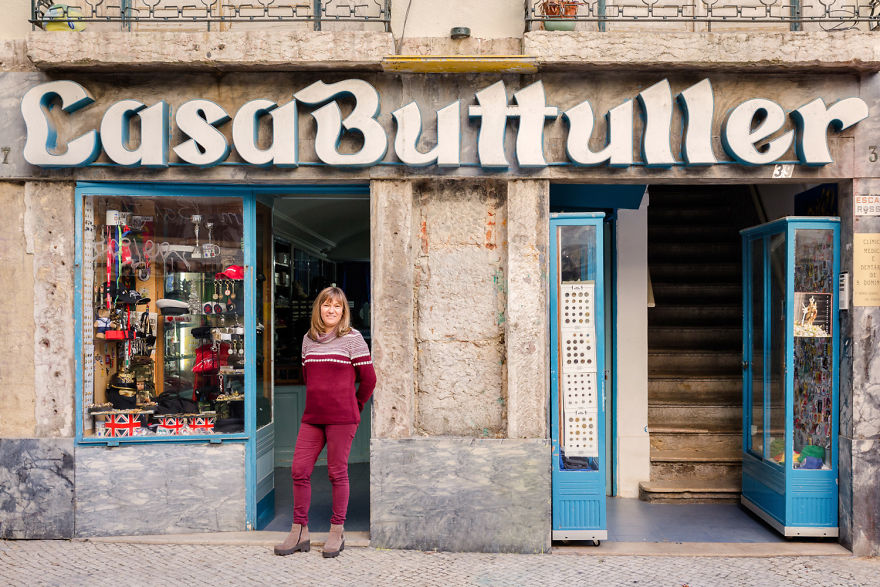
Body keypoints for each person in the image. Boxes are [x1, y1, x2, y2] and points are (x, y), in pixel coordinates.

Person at [274, 286, 377, 558]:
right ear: (319, 308)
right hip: (313, 417)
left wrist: (355, 405)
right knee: (298, 470)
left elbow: (369, 380)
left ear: (344, 312)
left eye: (337, 306)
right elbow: (309, 376)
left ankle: (337, 531)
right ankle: (299, 531)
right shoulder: (309, 339)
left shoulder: (353, 339)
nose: (331, 310)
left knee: (336, 472)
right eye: (326, 305)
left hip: (343, 418)